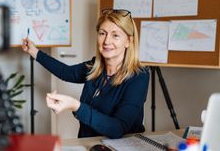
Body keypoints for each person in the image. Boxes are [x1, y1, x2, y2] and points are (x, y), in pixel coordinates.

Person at [22, 9, 149, 139]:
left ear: (128, 41)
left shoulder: (139, 76)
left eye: (115, 35)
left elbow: (117, 128)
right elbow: (65, 72)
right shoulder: (94, 67)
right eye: (102, 33)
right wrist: (34, 52)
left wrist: (76, 106)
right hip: (89, 143)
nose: (106, 41)